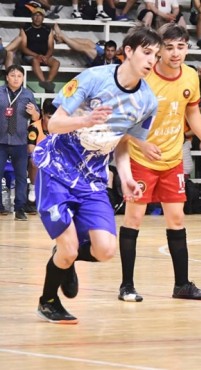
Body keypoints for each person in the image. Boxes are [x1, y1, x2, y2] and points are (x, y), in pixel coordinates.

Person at [34, 26, 162, 324]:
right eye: (146, 53)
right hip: (57, 168)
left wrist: (126, 176)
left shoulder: (147, 102)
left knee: (105, 250)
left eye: (155, 56)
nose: (151, 61)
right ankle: (48, 301)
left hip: (92, 179)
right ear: (128, 51)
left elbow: (122, 142)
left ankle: (65, 259)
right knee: (68, 248)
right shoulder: (93, 78)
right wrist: (85, 120)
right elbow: (52, 125)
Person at [118, 24, 201, 303]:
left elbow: (192, 112)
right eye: (170, 47)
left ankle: (182, 285)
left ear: (187, 48)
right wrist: (141, 143)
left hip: (172, 159)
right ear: (159, 48)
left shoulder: (190, 76)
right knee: (134, 220)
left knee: (177, 219)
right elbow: (123, 121)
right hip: (141, 159)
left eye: (181, 46)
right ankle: (127, 285)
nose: (176, 53)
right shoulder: (145, 78)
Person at [0, 64, 41, 221]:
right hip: (1, 140)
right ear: (7, 77)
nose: (16, 78)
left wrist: (34, 113)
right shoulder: (0, 92)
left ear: (23, 78)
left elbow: (37, 117)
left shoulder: (27, 94)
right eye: (13, 75)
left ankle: (20, 208)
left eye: (19, 76)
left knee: (21, 177)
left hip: (20, 141)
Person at [20, 7, 60, 93]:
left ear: (43, 18)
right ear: (32, 17)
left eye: (40, 15)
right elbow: (23, 48)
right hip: (30, 56)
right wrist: (37, 55)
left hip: (44, 56)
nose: (37, 18)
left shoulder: (48, 29)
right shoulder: (25, 29)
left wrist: (46, 56)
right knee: (35, 61)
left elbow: (51, 47)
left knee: (56, 63)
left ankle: (48, 82)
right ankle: (43, 82)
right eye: (35, 15)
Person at [26, 98, 55, 215]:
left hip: (55, 159)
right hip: (39, 158)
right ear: (43, 114)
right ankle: (33, 188)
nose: (51, 121)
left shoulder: (60, 127)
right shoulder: (34, 127)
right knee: (34, 161)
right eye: (49, 117)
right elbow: (30, 149)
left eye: (54, 118)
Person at [53, 24, 121, 67]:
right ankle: (62, 39)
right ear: (104, 50)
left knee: (86, 48)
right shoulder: (103, 56)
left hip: (98, 62)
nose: (110, 53)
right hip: (102, 57)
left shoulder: (117, 62)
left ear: (115, 52)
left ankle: (63, 38)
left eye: (112, 51)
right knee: (87, 42)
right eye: (108, 50)